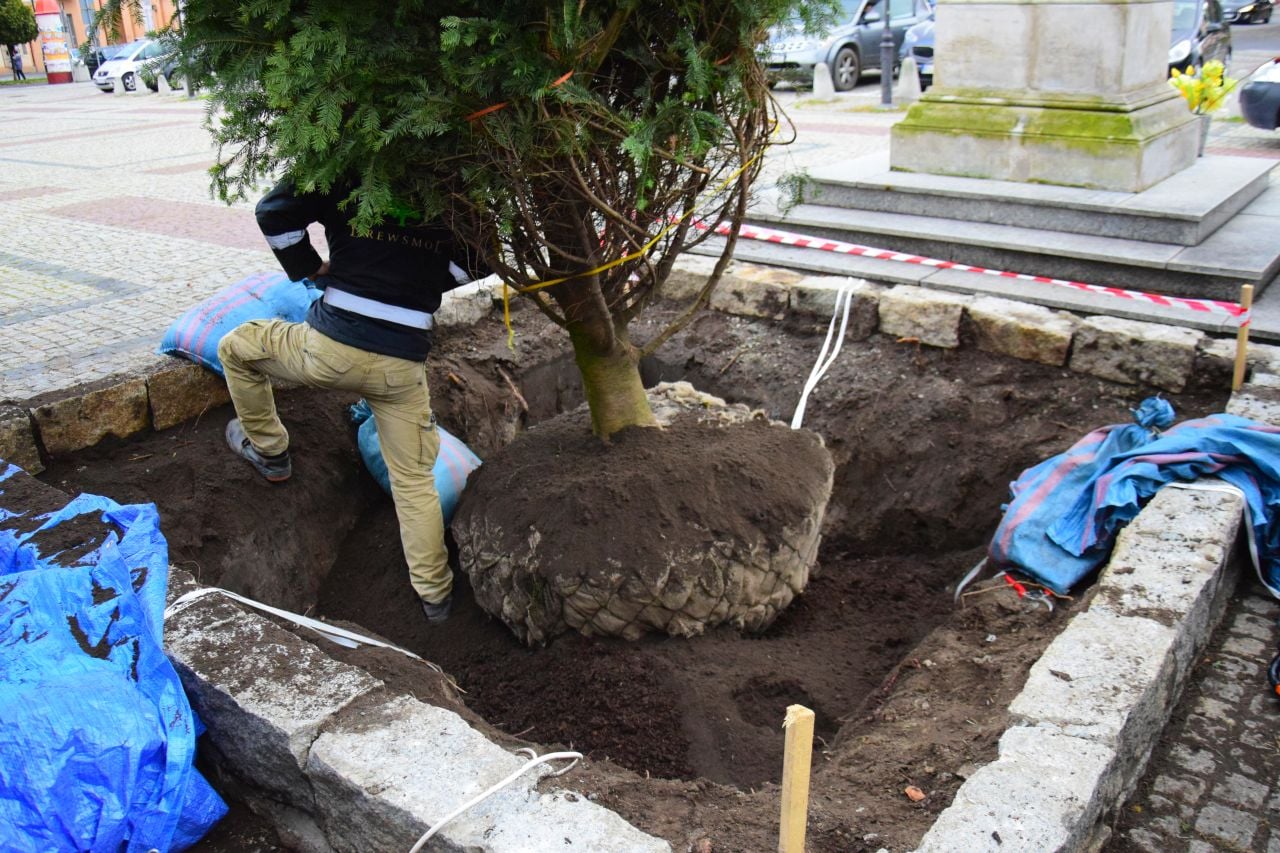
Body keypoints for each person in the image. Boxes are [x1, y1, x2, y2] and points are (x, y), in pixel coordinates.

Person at [217, 178, 488, 624]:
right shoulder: (452, 184)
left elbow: (273, 212)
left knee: (236, 348)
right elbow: (480, 257)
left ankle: (269, 452)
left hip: (330, 349)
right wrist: (424, 282)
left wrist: (310, 266)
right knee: (414, 481)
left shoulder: (348, 166)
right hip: (402, 365)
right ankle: (436, 599)